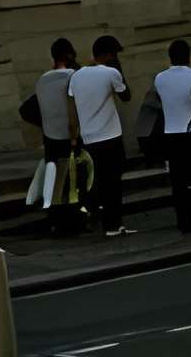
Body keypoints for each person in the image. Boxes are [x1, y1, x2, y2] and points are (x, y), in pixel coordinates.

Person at [69, 35, 133, 238]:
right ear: (108, 55)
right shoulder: (111, 73)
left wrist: (74, 134)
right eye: (115, 55)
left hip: (89, 137)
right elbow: (126, 96)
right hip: (110, 135)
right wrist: (119, 69)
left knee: (98, 181)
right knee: (113, 182)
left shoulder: (76, 76)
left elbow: (72, 106)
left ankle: (105, 221)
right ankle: (113, 223)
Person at [153, 38, 191, 232]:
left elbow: (160, 100)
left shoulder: (159, 78)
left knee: (178, 182)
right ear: (188, 56)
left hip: (170, 133)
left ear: (170, 57)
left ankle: (184, 221)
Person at [29, 38, 82, 235]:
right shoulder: (73, 76)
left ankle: (56, 221)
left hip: (50, 137)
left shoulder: (42, 80)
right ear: (70, 55)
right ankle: (75, 220)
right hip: (71, 135)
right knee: (73, 180)